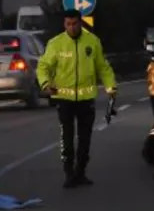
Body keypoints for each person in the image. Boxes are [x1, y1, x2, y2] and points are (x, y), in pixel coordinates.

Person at [36, 9, 117, 188]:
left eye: (74, 24)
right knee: (67, 136)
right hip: (64, 99)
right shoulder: (56, 43)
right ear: (64, 24)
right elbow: (43, 67)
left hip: (86, 98)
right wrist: (45, 84)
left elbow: (103, 67)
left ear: (81, 23)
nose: (71, 28)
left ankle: (81, 172)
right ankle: (68, 173)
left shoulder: (92, 42)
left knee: (85, 138)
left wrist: (110, 88)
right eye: (68, 24)